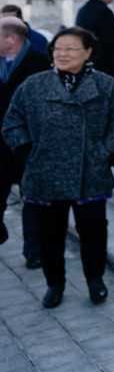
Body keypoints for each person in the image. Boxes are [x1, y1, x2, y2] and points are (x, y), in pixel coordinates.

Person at [3, 27, 114, 309]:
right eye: (58, 48)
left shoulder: (105, 85)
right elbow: (12, 122)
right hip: (45, 172)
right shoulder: (34, 85)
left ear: (88, 52)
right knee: (50, 235)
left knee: (94, 232)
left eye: (71, 48)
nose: (62, 53)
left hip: (90, 173)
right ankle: (54, 284)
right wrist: (27, 153)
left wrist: (105, 154)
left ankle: (95, 281)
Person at [0, 18, 49, 256]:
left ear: (11, 39)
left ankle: (33, 250)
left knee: (32, 197)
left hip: (28, 142)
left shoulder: (39, 63)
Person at [75, 0, 114, 90]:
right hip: (106, 63)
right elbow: (112, 41)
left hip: (88, 62)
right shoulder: (104, 11)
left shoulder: (82, 11)